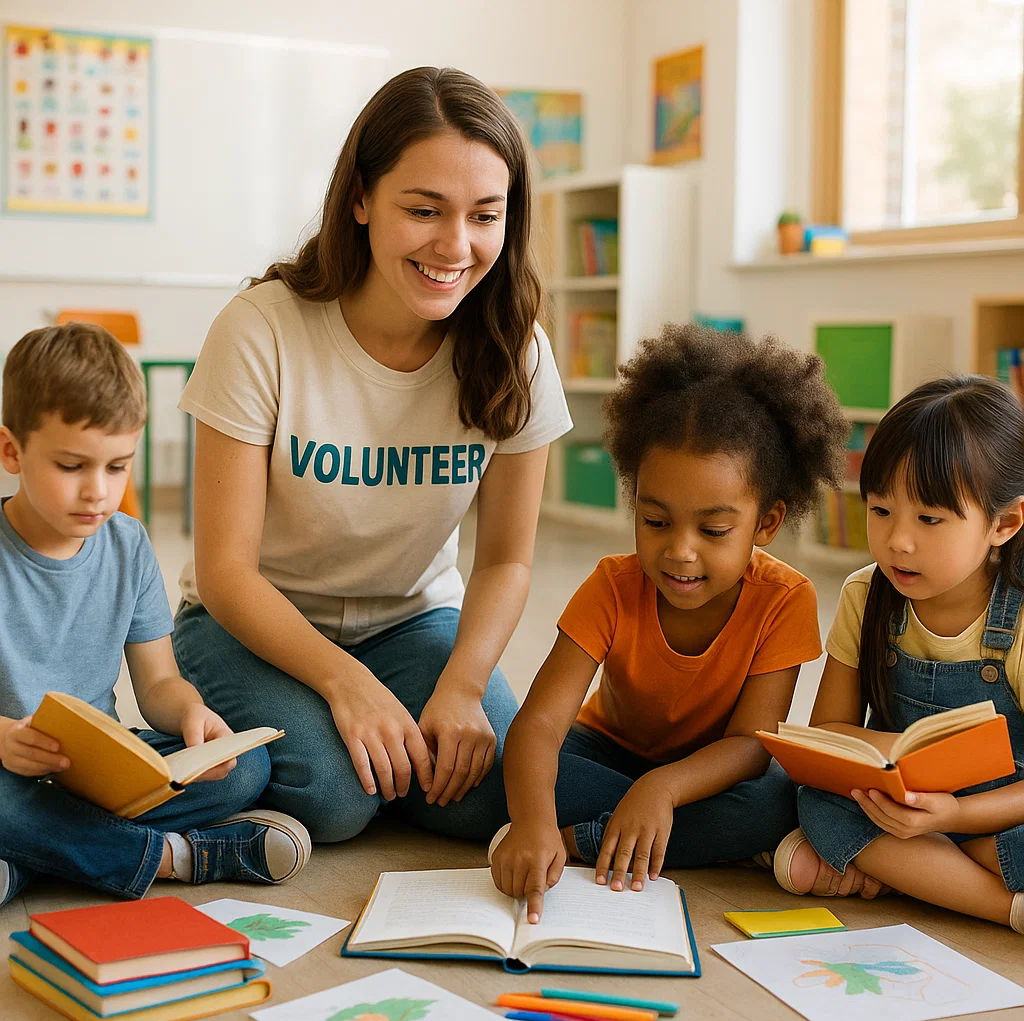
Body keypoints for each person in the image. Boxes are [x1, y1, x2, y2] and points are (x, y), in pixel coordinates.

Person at [171, 66, 571, 845]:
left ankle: (394, 751)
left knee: (496, 786)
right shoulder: (261, 330)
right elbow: (226, 572)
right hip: (254, 622)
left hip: (414, 623)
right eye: (423, 210)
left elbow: (505, 563)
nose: (455, 246)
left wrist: (460, 686)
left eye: (484, 215)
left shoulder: (515, 347)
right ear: (360, 200)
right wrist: (345, 684)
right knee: (333, 794)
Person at [489, 324, 849, 921]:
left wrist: (662, 790)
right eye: (656, 521)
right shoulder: (613, 584)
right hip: (606, 752)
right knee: (507, 773)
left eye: (712, 531)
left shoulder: (787, 599)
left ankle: (587, 839)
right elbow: (540, 725)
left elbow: (749, 747)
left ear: (766, 523)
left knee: (780, 802)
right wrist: (531, 821)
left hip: (711, 774)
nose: (680, 552)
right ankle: (651, 837)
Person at [0, 324, 310, 909]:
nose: (98, 492)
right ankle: (175, 858)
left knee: (246, 768)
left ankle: (29, 860)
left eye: (117, 467)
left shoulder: (128, 544)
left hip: (96, 775)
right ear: (12, 451)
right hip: (7, 769)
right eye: (72, 466)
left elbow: (159, 683)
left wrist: (195, 716)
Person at [772, 375, 1024, 936]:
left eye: (929, 520)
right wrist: (900, 767)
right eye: (881, 510)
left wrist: (957, 813)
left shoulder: (1020, 616)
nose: (897, 541)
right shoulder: (867, 595)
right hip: (897, 803)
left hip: (998, 810)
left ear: (1003, 524)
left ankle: (912, 874)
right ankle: (1004, 905)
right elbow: (828, 733)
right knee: (818, 802)